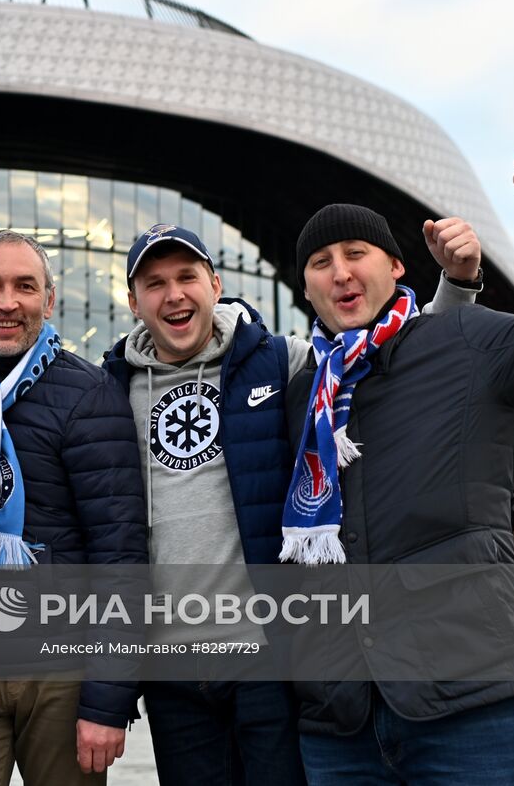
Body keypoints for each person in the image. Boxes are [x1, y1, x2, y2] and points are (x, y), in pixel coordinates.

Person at [285, 139, 514, 784]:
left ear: (397, 267)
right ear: (307, 286)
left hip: (465, 702)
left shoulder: (466, 340)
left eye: (355, 253)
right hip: (338, 718)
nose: (340, 272)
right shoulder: (301, 392)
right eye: (320, 262)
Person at [95, 217, 480, 785]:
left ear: (215, 285)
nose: (173, 294)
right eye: (154, 284)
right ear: (133, 301)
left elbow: (400, 363)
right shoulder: (110, 389)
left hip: (268, 657)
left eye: (187, 276)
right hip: (172, 667)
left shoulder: (283, 361)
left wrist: (458, 286)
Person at [0, 230, 148, 784]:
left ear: (50, 299)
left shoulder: (88, 394)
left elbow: (121, 553)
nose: (7, 301)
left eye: (24, 286)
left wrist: (107, 702)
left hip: (60, 673)